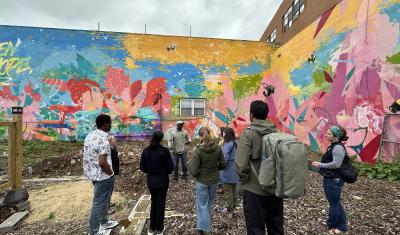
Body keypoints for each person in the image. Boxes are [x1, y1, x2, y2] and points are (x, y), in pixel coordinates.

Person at [235, 100, 283, 235]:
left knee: (255, 229)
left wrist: (244, 181)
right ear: (266, 115)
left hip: (254, 190)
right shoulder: (276, 132)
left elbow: (240, 164)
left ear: (251, 115)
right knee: (276, 227)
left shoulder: (249, 133)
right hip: (275, 188)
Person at [83, 114, 118, 235]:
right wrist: (111, 173)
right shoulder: (103, 139)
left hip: (93, 174)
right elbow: (103, 163)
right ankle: (93, 231)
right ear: (105, 124)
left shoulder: (89, 135)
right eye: (110, 123)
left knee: (103, 200)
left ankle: (104, 222)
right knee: (98, 203)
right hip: (103, 176)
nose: (111, 125)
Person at [311, 125, 349, 234]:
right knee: (335, 203)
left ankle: (331, 225)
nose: (326, 135)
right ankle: (342, 226)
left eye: (328, 133)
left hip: (334, 180)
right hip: (331, 178)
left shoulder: (337, 148)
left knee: (334, 204)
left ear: (336, 136)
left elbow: (336, 164)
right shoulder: (333, 145)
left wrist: (320, 164)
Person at [190, 127, 226, 235]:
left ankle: (206, 230)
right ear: (210, 134)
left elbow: (193, 172)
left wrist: (201, 171)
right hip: (214, 181)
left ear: (200, 136)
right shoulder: (218, 148)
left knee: (202, 205)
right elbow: (223, 164)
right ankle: (202, 228)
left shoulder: (197, 151)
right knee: (208, 205)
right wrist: (215, 168)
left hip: (202, 181)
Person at [140, 131, 174, 235]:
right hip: (163, 181)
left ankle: (151, 228)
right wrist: (163, 172)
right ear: (161, 139)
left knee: (154, 203)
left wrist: (151, 172)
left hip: (151, 181)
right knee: (161, 204)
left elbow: (142, 167)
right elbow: (170, 168)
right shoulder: (164, 151)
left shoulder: (146, 151)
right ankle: (159, 229)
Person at [220, 127, 239, 213]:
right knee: (234, 188)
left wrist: (221, 167)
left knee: (228, 190)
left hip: (228, 170)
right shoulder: (236, 142)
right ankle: (235, 205)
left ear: (226, 134)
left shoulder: (227, 144)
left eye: (224, 133)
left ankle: (229, 208)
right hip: (235, 170)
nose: (222, 134)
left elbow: (225, 158)